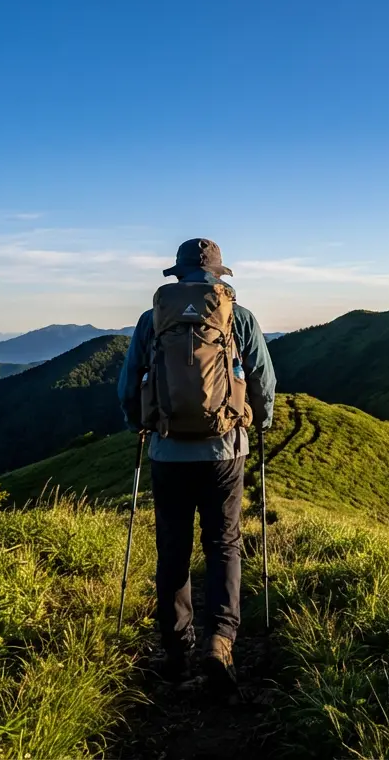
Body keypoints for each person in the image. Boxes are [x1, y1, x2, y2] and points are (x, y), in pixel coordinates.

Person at [118, 238, 276, 687]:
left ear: (178, 273)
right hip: (225, 450)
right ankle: (220, 642)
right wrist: (260, 420)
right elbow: (264, 379)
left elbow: (129, 384)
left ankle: (176, 648)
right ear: (218, 274)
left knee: (173, 547)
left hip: (168, 450)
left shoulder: (152, 319)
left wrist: (139, 423)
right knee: (223, 544)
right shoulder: (239, 317)